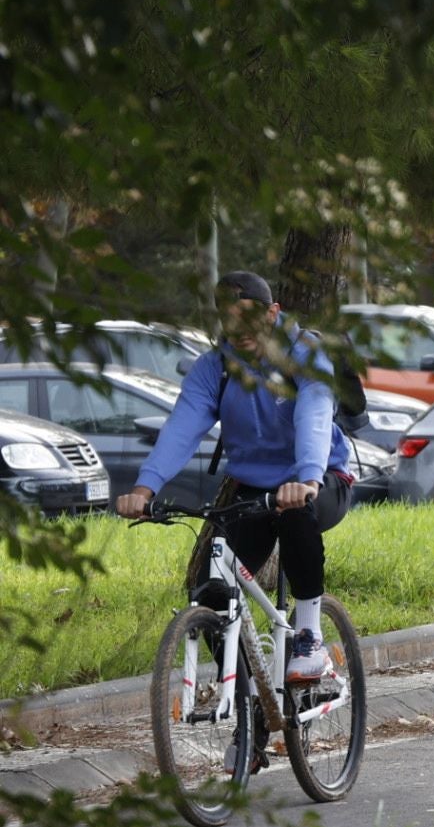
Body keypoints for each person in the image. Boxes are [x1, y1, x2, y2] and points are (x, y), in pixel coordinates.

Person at [114, 270, 354, 683]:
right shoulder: (216, 367)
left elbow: (314, 413)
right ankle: (250, 710)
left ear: (273, 313)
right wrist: (145, 486)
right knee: (210, 593)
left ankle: (310, 635)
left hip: (320, 479)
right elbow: (182, 428)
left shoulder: (303, 353)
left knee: (296, 516)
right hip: (253, 488)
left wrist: (309, 477)